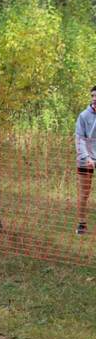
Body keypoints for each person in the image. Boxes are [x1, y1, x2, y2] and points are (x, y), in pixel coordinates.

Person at [74, 85, 96, 236]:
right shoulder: (84, 116)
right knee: (84, 192)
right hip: (86, 159)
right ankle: (82, 224)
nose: (94, 99)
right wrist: (87, 157)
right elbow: (79, 139)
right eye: (92, 96)